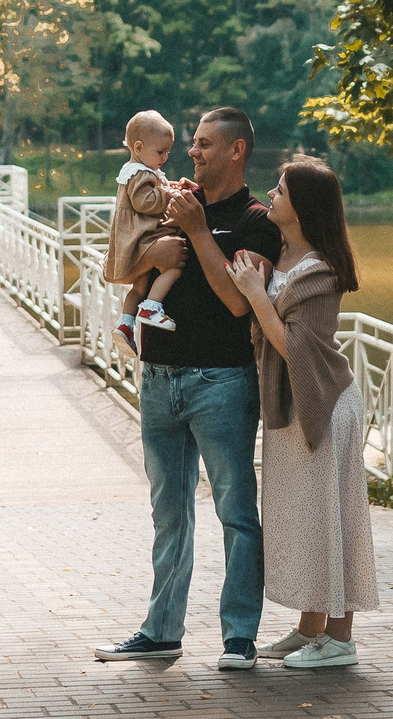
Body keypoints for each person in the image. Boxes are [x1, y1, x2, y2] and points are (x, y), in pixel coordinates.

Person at [92, 107, 281, 671]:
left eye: (202, 144)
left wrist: (198, 232)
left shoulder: (256, 220)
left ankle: (239, 636)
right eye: (190, 143)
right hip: (158, 377)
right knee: (168, 512)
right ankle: (161, 631)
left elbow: (237, 302)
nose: (191, 153)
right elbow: (120, 263)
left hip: (221, 381)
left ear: (236, 150)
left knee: (236, 510)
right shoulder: (169, 197)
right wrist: (150, 253)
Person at [229, 157, 378, 669]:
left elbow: (295, 348)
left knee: (331, 518)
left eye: (282, 191)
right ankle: (310, 628)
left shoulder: (321, 270)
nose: (272, 194)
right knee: (309, 516)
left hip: (323, 402)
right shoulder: (286, 256)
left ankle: (340, 639)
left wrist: (253, 295)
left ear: (303, 207)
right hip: (294, 402)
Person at [104, 110, 190, 346]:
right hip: (143, 237)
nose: (165, 157)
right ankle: (151, 307)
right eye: (161, 152)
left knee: (139, 285)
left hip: (137, 239)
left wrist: (164, 185)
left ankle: (125, 324)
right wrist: (168, 193)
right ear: (139, 148)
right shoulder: (138, 173)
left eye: (168, 152)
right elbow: (146, 202)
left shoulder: (141, 170)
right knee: (175, 264)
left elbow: (149, 193)